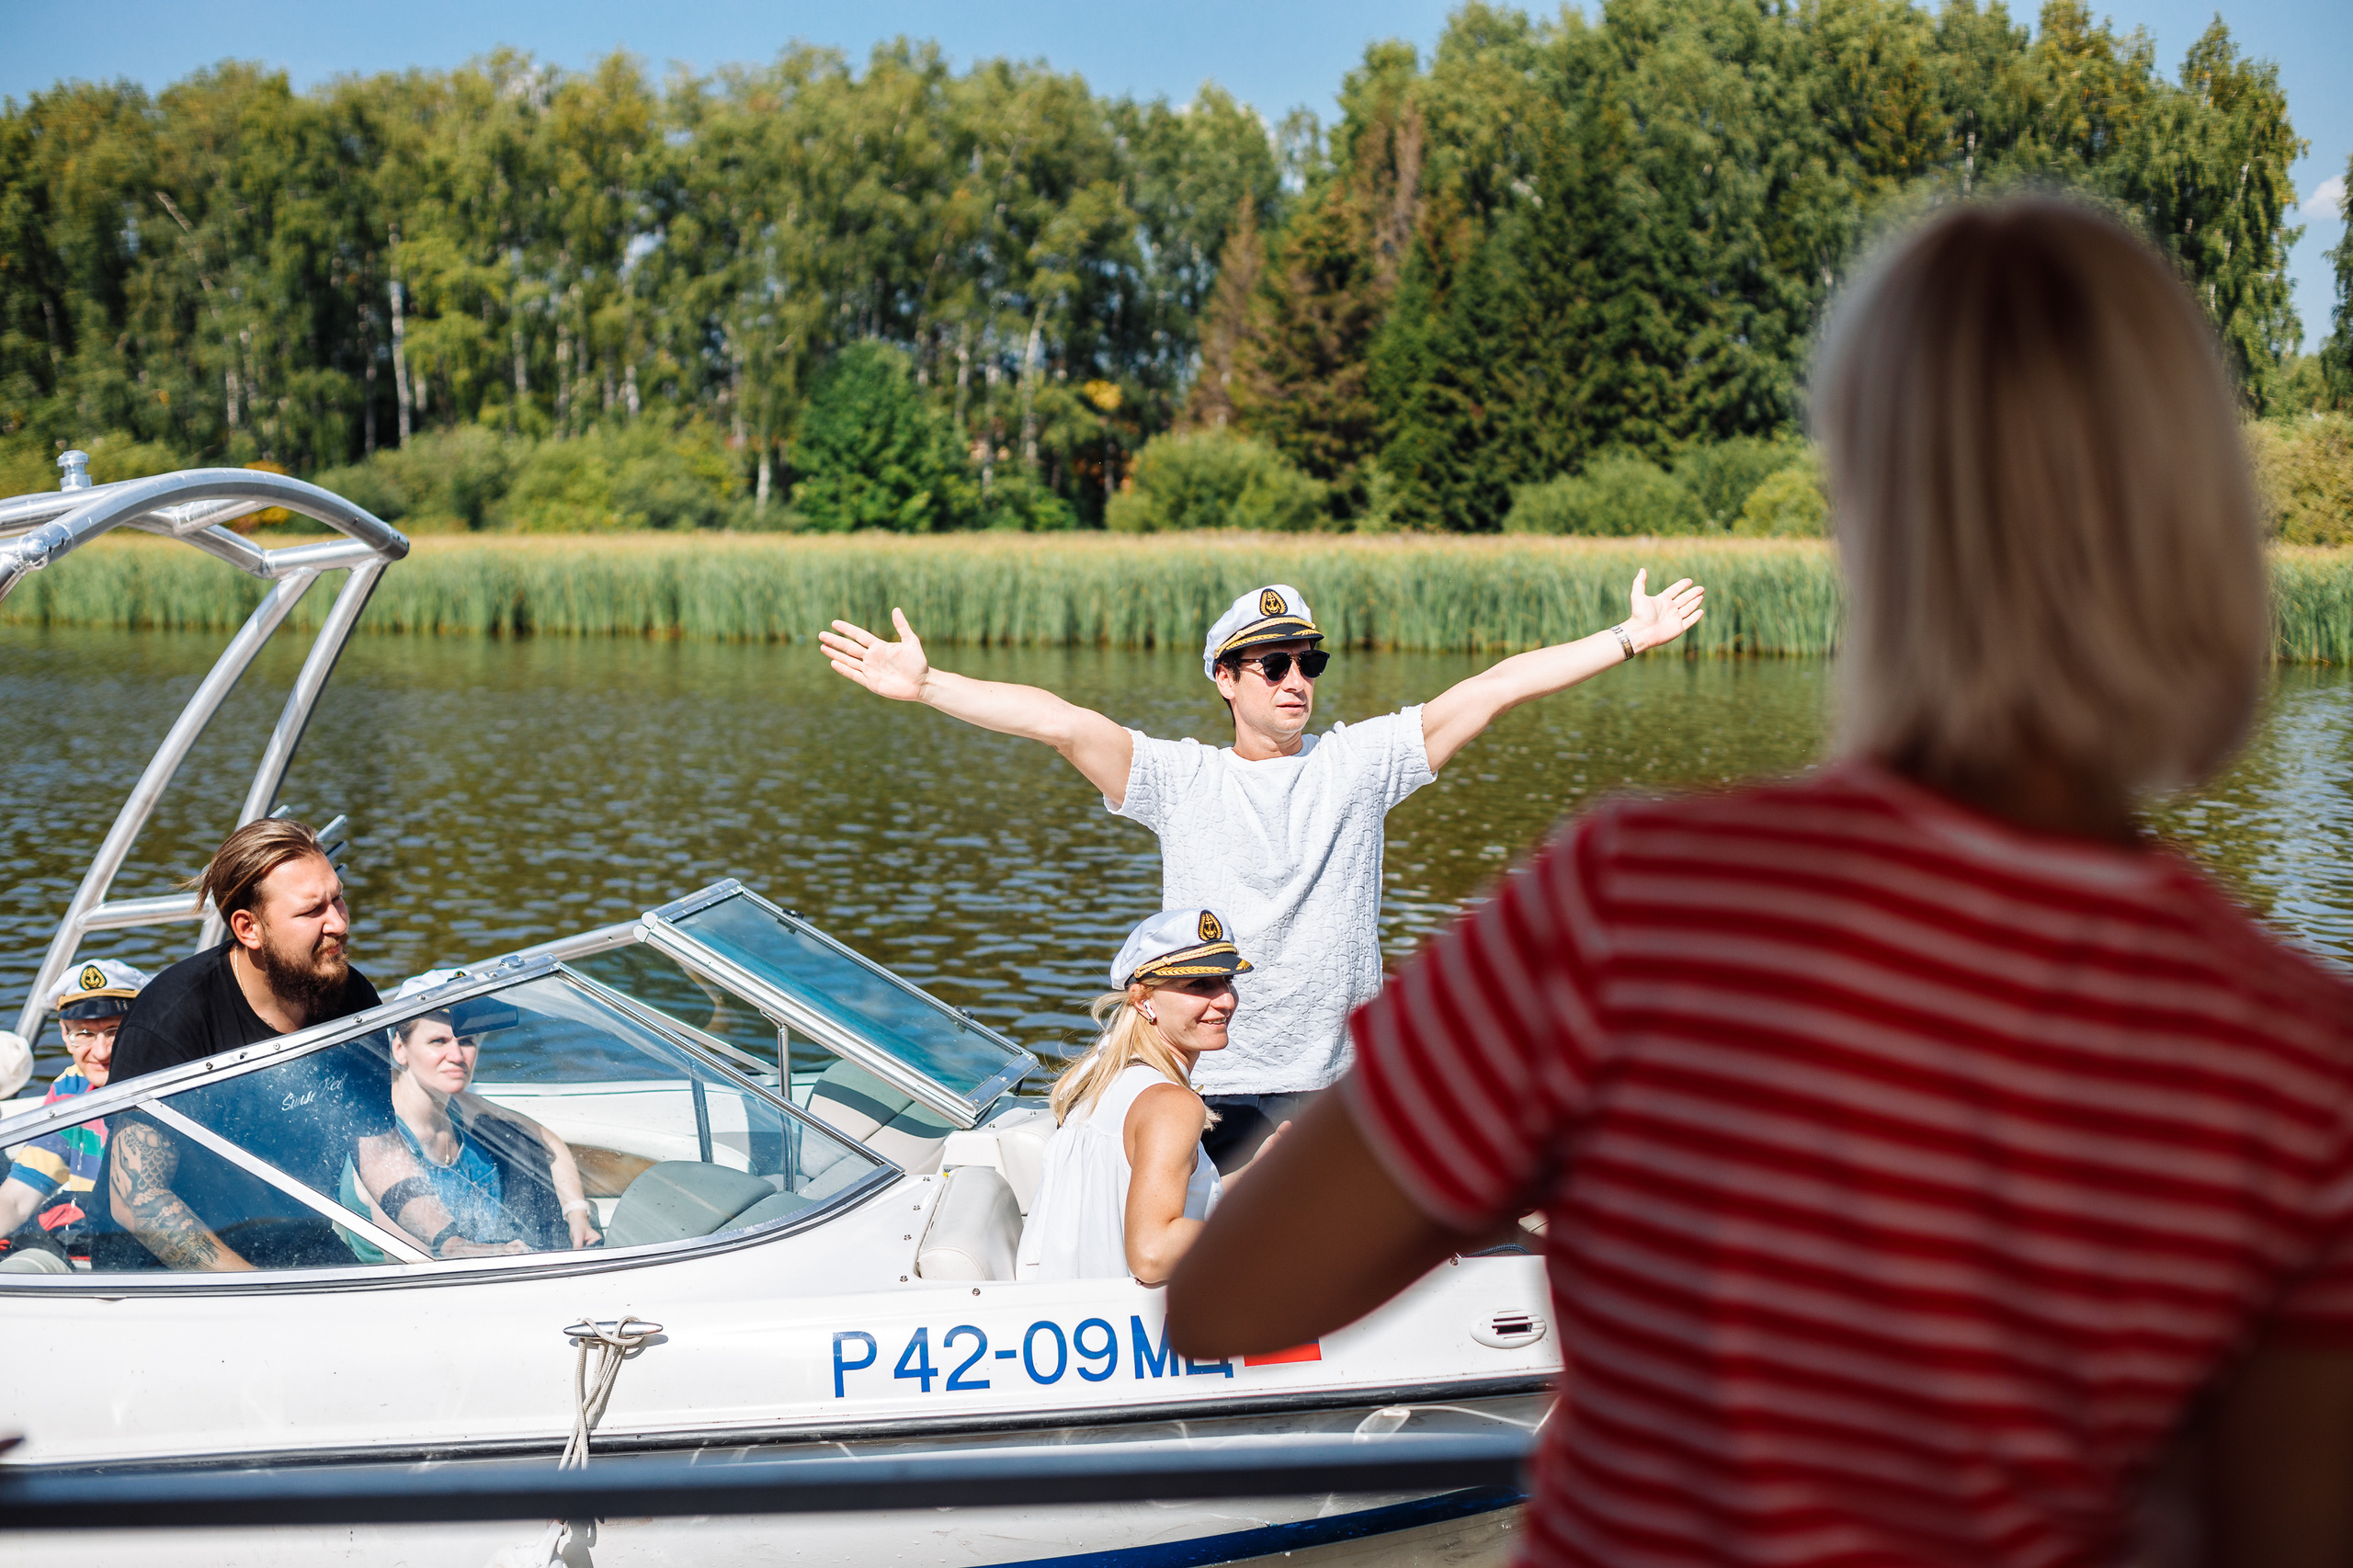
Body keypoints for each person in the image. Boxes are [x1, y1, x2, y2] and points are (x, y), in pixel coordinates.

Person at [1167, 198, 2353, 1568]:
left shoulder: (1626, 910)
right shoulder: (2300, 1063)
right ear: (2200, 535)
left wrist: (1537, 1156)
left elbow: (1225, 1300)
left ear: (1870, 528)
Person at [824, 574, 1705, 1173]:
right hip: (1210, 1083)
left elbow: (1495, 687)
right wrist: (929, 685)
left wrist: (1631, 636)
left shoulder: (1360, 765)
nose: (1295, 681)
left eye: (1308, 663)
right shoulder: (1179, 780)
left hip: (1335, 1086)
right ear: (1225, 679)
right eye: (1272, 664)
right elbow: (1061, 721)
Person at [96, 818, 505, 1270]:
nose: (339, 923)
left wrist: (451, 1242)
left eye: (338, 899)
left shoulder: (351, 998)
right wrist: (257, 1290)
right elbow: (138, 1200)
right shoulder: (171, 1020)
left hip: (294, 1239)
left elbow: (380, 1152)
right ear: (249, 928)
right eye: (313, 911)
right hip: (156, 1272)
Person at [1017, 909, 1280, 1285]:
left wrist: (1261, 1176)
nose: (1226, 1000)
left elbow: (1152, 1203)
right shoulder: (1172, 1104)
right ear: (1143, 1000)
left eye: (1227, 980)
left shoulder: (1099, 1074)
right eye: (1199, 985)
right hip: (1133, 1318)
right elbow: (1152, 1254)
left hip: (1073, 1309)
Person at [340, 983, 601, 1260]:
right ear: (399, 1049)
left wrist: (576, 1213)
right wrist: (498, 1253)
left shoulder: (458, 1105)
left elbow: (547, 1143)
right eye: (438, 1041)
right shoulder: (378, 1135)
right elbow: (414, 1260)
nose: (457, 1056)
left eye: (466, 1041)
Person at [0, 959, 148, 1270]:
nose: (101, 1052)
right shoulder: (70, 1088)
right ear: (65, 1035)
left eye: (114, 1031)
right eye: (84, 1033)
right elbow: (18, 1197)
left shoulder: (166, 1086)